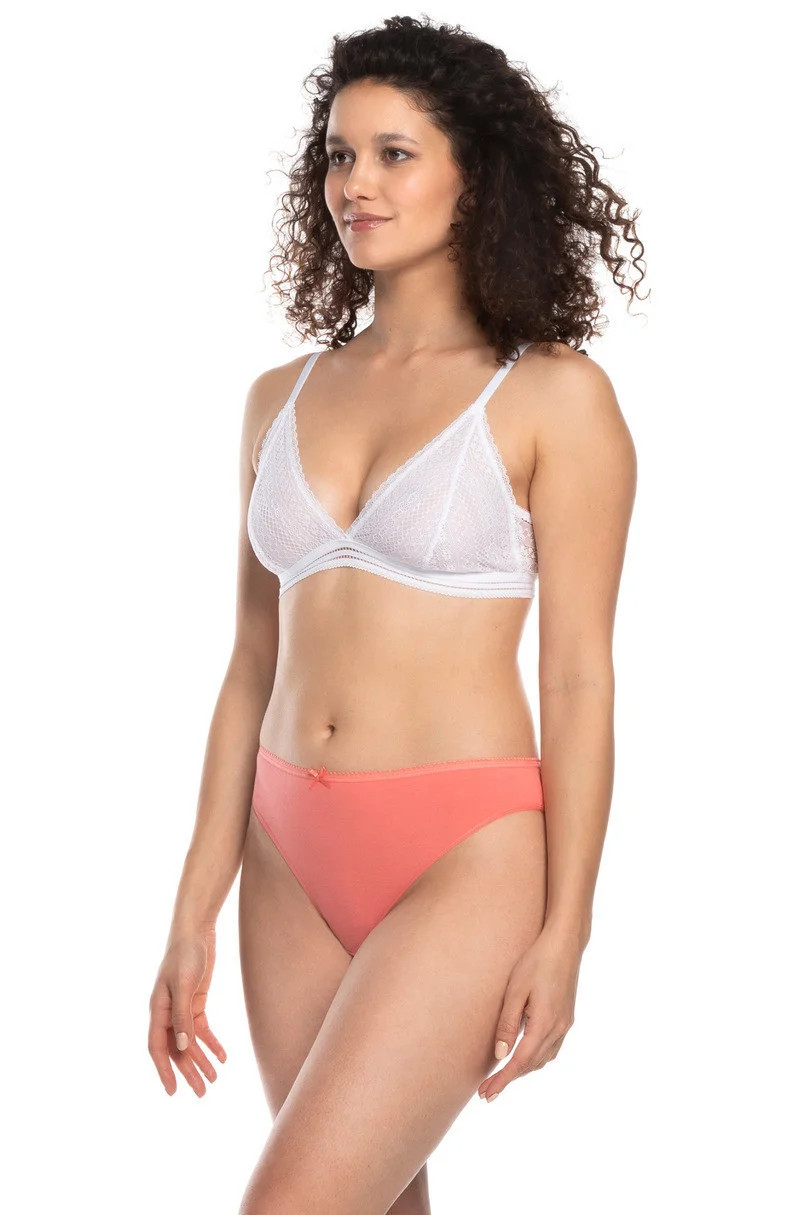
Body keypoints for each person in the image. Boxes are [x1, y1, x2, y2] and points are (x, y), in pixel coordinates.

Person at [148, 15, 642, 1214]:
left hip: (463, 854)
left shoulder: (556, 397)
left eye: (394, 154)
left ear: (478, 175)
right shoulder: (280, 396)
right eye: (337, 155)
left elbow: (579, 679)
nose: (354, 185)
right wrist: (193, 908)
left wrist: (567, 930)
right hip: (285, 854)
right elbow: (248, 666)